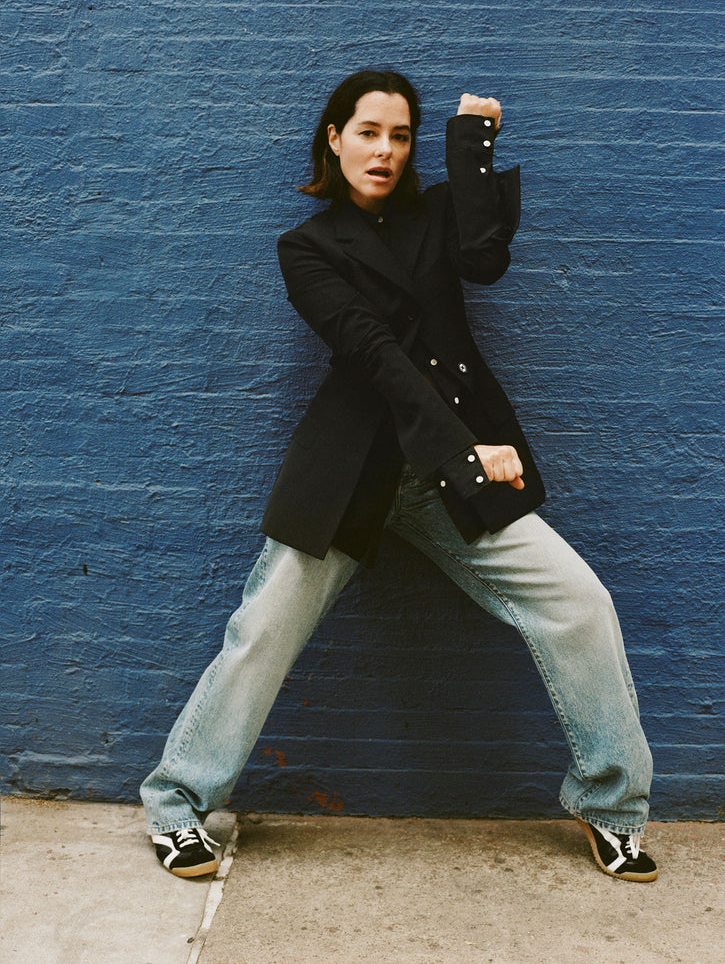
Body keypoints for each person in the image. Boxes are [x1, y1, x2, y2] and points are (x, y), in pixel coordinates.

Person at [141, 69, 657, 883]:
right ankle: (176, 804)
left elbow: (485, 261)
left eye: (401, 135)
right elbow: (376, 356)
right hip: (357, 470)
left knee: (582, 605)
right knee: (262, 633)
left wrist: (474, 142)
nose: (384, 150)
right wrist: (464, 448)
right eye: (369, 132)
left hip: (450, 480)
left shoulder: (436, 215)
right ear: (334, 140)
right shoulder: (306, 249)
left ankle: (611, 807)